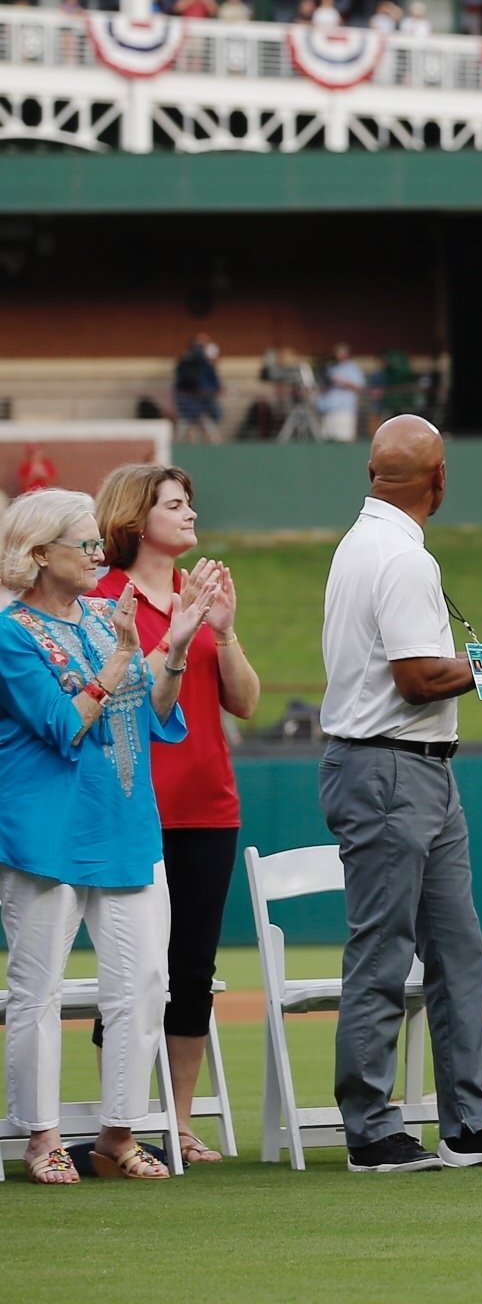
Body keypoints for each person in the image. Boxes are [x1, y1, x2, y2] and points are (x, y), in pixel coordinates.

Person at [319, 416, 482, 1172]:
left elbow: (433, 682)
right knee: (385, 951)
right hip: (390, 768)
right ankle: (371, 1128)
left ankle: (472, 1120)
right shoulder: (400, 559)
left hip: (416, 765)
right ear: (440, 478)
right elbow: (416, 679)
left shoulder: (370, 546)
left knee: (457, 951)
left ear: (373, 473)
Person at [0, 488, 200, 1184]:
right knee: (37, 991)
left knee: (143, 984)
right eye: (82, 544)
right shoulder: (11, 633)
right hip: (43, 835)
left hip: (123, 824)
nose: (96, 554)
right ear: (39, 554)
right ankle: (42, 1138)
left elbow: (154, 715)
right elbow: (61, 725)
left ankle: (119, 1133)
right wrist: (118, 662)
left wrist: (174, 645)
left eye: (95, 543)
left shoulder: (100, 619)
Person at [89, 464, 259, 1168]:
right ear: (136, 517)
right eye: (174, 504)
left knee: (191, 971)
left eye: (190, 503)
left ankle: (179, 1125)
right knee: (129, 975)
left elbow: (244, 702)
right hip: (132, 810)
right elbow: (117, 696)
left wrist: (226, 629)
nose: (190, 514)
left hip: (208, 808)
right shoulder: (103, 600)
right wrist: (178, 638)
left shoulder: (200, 592)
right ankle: (118, 1126)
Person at [173, 332, 223, 441]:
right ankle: (185, 443)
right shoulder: (187, 361)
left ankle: (213, 444)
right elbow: (182, 380)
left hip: (202, 398)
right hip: (189, 398)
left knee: (206, 422)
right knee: (187, 421)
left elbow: (213, 381)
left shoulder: (204, 363)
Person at [316, 344, 367, 444]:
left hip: (344, 409)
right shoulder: (332, 368)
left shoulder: (352, 367)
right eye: (337, 352)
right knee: (327, 438)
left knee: (343, 439)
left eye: (341, 352)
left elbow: (360, 386)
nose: (338, 355)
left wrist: (342, 381)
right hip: (329, 409)